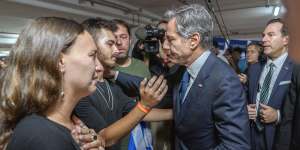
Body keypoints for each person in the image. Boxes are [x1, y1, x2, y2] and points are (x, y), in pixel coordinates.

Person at [0, 17, 104, 150]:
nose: (99, 67)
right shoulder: (42, 136)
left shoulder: (69, 124)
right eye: (92, 55)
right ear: (60, 62)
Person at [74, 18, 171, 150]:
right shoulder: (81, 91)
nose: (116, 49)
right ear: (92, 45)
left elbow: (143, 113)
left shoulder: (111, 86)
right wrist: (144, 105)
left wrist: (177, 113)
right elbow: (105, 137)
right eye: (110, 44)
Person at [163, 4, 250, 149]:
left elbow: (235, 146)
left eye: (171, 39)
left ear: (193, 41)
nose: (165, 46)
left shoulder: (224, 80)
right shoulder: (182, 69)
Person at [247, 18, 293, 150]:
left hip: (279, 138)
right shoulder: (254, 69)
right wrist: (245, 108)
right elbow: (245, 95)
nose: (263, 40)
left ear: (286, 40)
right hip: (251, 136)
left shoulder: (295, 69)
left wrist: (278, 116)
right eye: (263, 35)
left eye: (270, 35)